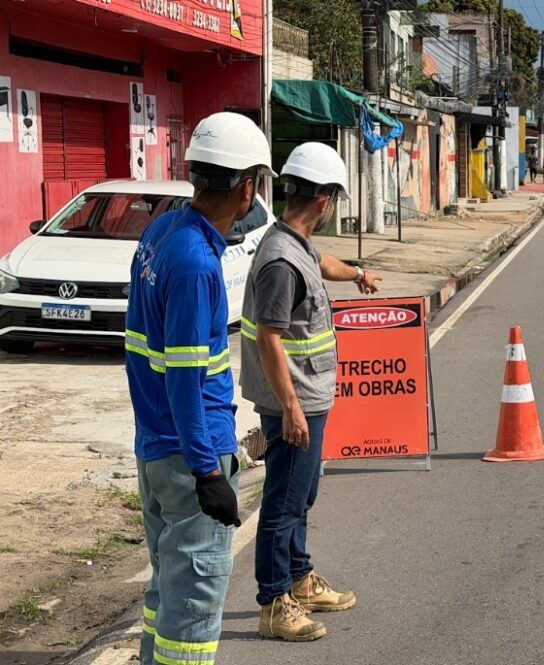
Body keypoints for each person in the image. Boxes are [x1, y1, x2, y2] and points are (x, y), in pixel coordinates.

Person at [125, 111, 272, 665]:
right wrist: (209, 472)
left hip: (158, 450)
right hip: (191, 460)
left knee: (167, 593)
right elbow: (186, 377)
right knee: (193, 606)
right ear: (248, 186)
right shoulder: (194, 264)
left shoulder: (163, 231)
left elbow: (144, 352)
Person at [239, 142, 383, 641]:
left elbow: (323, 264)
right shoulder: (280, 260)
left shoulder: (294, 244)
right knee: (283, 502)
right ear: (325, 200)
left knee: (302, 494)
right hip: (294, 400)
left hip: (307, 396)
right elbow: (268, 338)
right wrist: (291, 408)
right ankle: (274, 601)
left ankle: (299, 578)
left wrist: (359, 274)